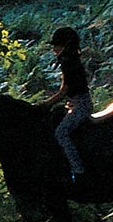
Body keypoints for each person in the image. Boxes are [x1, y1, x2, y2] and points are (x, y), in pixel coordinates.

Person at [37, 26, 92, 183]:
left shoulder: (69, 63)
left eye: (57, 45)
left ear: (65, 46)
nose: (54, 49)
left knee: (61, 132)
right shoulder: (70, 61)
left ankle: (78, 169)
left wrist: (46, 104)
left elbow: (64, 91)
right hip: (74, 104)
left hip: (81, 105)